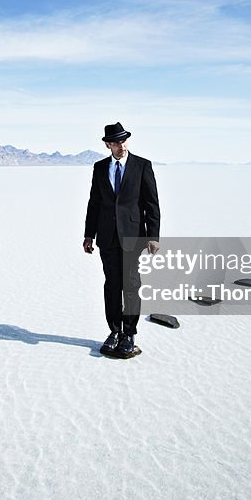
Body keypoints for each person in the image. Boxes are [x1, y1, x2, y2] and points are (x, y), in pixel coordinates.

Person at [83, 122, 161, 358]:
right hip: (107, 237)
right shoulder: (99, 168)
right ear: (108, 145)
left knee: (131, 285)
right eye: (116, 142)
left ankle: (129, 333)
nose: (121, 145)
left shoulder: (142, 166)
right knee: (112, 285)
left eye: (124, 140)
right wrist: (89, 234)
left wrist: (153, 236)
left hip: (133, 236)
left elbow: (151, 204)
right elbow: (94, 203)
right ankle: (114, 331)